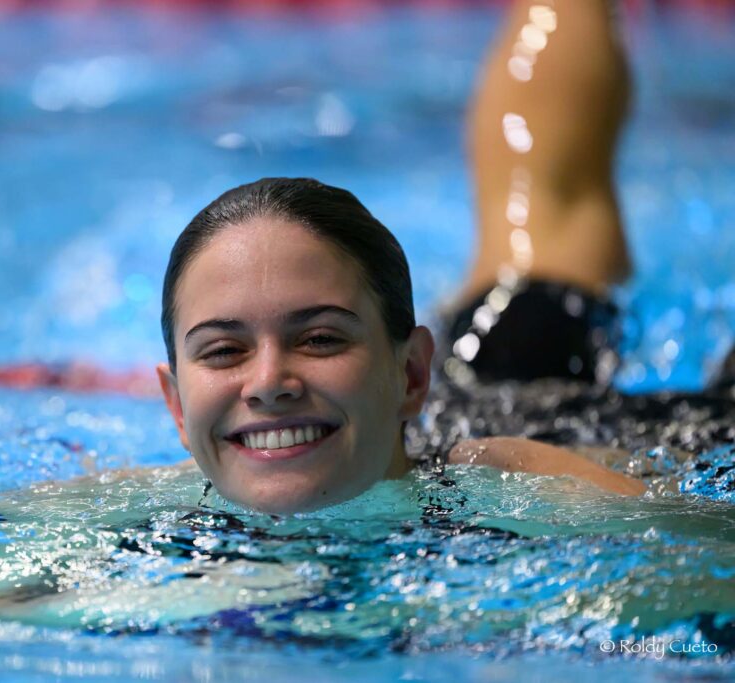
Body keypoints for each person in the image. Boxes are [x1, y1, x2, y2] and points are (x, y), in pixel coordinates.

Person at [155, 0, 648, 515]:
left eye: (320, 339)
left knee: (541, 212)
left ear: (411, 374)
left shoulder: (538, 492)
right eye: (222, 351)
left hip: (540, 383)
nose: (268, 385)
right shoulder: (137, 517)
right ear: (177, 406)